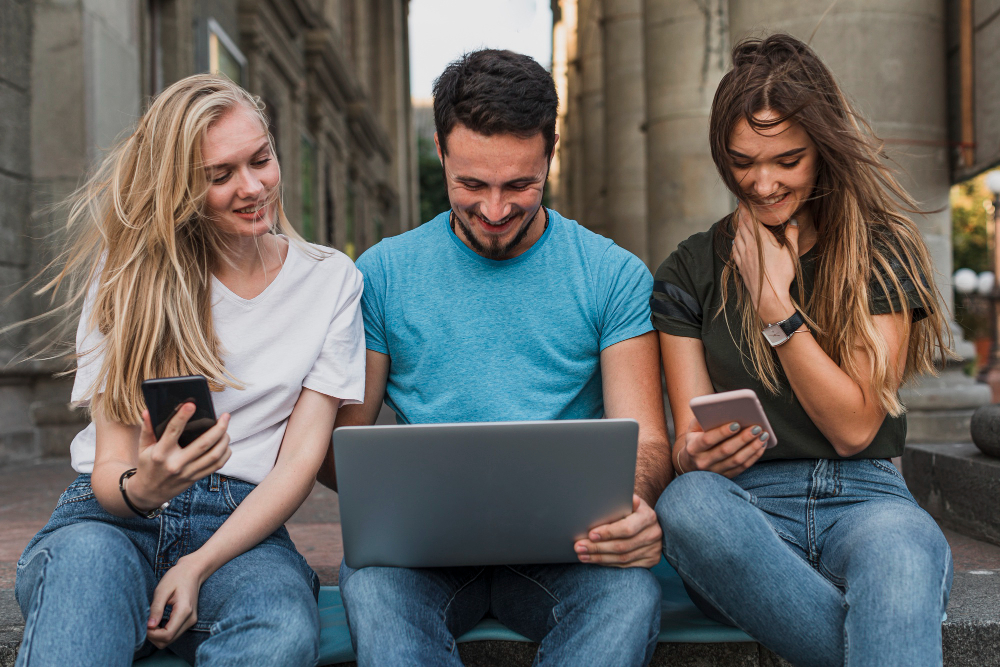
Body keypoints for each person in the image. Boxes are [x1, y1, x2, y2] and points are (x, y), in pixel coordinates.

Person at [317, 49, 672, 667]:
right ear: (441, 151)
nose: (496, 210)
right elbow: (341, 451)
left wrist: (634, 507)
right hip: (418, 555)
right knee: (372, 587)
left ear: (550, 152)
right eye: (472, 185)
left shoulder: (612, 274)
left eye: (520, 185)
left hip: (570, 552)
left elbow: (648, 444)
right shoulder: (382, 273)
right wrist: (385, 492)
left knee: (629, 598)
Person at [14, 74, 365, 666]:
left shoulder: (332, 282)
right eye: (220, 176)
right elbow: (110, 468)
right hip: (111, 521)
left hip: (242, 529)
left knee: (280, 626)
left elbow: (299, 462)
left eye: (261, 160)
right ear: (178, 186)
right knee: (82, 587)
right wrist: (142, 488)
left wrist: (197, 564)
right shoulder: (129, 275)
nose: (252, 187)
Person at [652, 34, 953, 667]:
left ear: (822, 149)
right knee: (686, 504)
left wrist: (777, 311)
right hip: (743, 510)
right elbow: (687, 443)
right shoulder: (688, 271)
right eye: (741, 162)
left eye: (787, 160)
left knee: (901, 554)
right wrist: (696, 451)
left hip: (867, 499)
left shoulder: (881, 250)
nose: (762, 184)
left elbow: (854, 427)